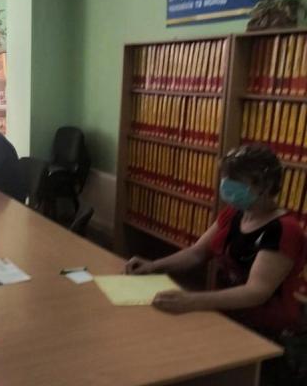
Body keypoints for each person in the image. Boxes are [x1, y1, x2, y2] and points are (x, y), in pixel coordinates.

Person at [125, 144, 307, 383]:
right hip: (228, 316)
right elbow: (197, 253)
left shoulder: (284, 230)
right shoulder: (235, 213)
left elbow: (256, 292)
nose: (227, 186)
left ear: (264, 186)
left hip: (265, 333)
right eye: (226, 179)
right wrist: (154, 265)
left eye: (236, 181)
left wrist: (192, 301)